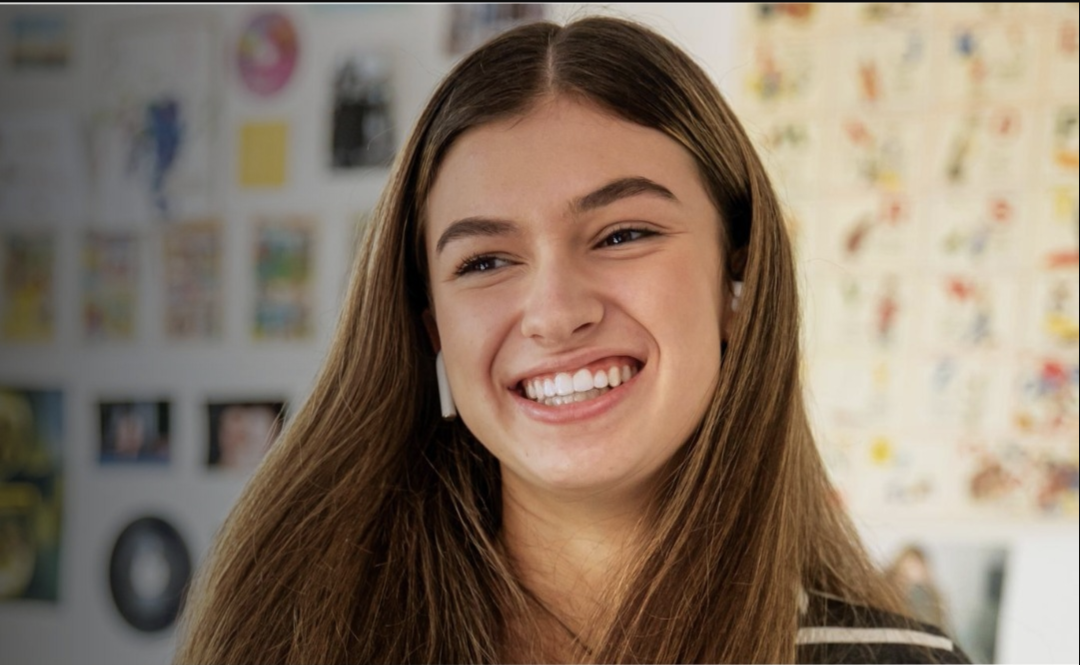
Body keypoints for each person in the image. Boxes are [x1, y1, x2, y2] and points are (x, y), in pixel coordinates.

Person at [174, 16, 970, 664]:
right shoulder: (291, 639)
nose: (553, 313)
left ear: (739, 282)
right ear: (431, 327)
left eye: (623, 234)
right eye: (485, 260)